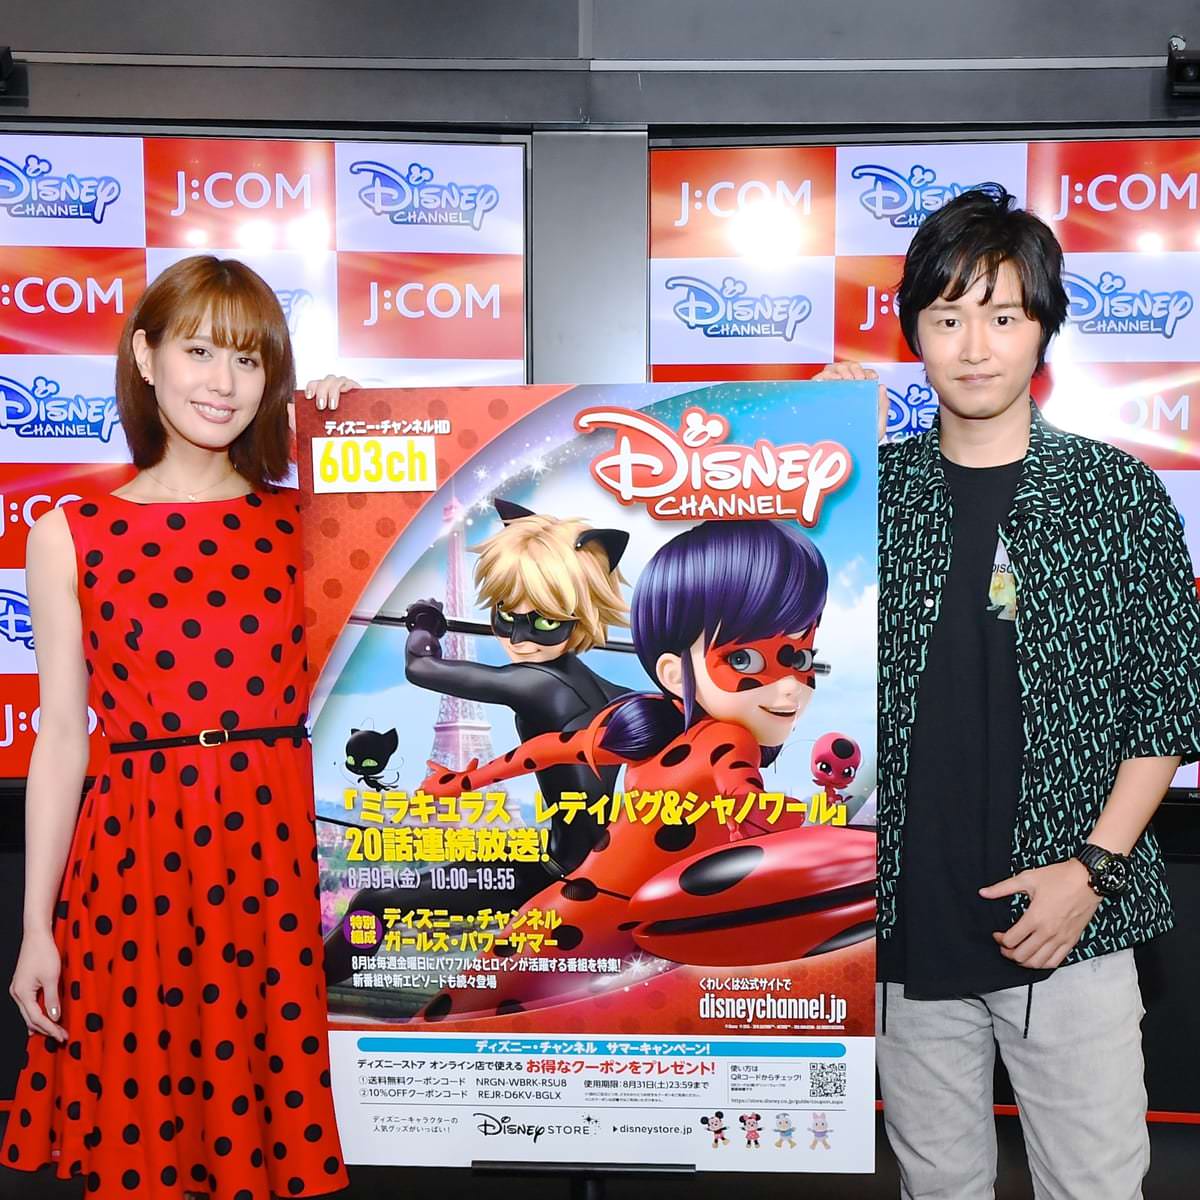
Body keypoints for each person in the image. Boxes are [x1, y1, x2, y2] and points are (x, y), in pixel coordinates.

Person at [819, 188, 1200, 1199]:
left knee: (1094, 1187)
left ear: (1043, 329)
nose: (975, 347)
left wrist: (1090, 871)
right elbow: (747, 617)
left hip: (1069, 920)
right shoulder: (866, 494)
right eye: (947, 318)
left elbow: (1167, 706)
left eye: (1002, 316)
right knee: (937, 1187)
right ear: (913, 333)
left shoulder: (1116, 495)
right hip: (901, 927)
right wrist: (811, 449)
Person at [3, 255, 356, 1199]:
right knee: (146, 1139)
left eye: (248, 360)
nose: (223, 383)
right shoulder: (69, 532)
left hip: (275, 857)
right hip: (136, 862)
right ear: (144, 356)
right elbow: (62, 738)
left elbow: (428, 534)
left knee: (266, 1134)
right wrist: (37, 928)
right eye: (199, 352)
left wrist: (351, 435)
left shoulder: (308, 521)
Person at [412, 519, 874, 1020]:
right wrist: (787, 820)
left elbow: (550, 750)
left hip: (567, 913)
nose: (789, 688)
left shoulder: (651, 719)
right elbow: (741, 794)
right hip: (610, 933)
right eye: (744, 660)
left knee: (458, 1017)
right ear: (674, 671)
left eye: (799, 657)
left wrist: (461, 782)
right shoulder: (718, 737)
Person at [324, 498, 632, 984]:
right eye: (507, 614)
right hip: (592, 866)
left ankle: (313, 987)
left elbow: (421, 667)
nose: (520, 637)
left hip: (560, 874)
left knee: (375, 901)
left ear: (582, 616)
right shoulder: (615, 694)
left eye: (545, 622)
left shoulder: (538, 684)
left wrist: (424, 623)